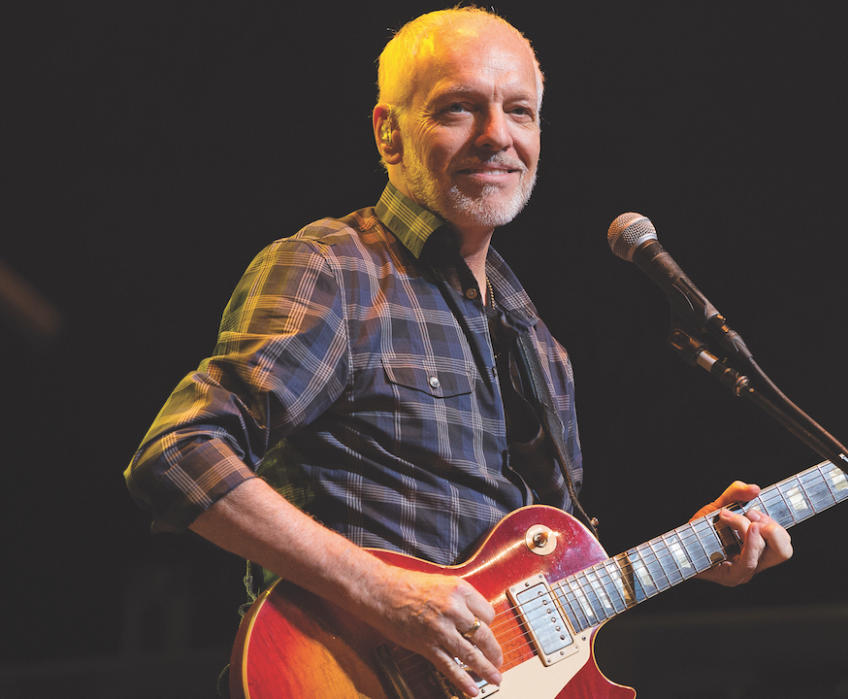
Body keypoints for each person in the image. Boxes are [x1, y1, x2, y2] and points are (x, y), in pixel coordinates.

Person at [124, 8, 792, 697]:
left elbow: (548, 590)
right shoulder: (335, 270)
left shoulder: (538, 343)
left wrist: (694, 554)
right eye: (459, 109)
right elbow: (178, 455)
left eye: (520, 112)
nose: (498, 135)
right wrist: (385, 592)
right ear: (389, 132)